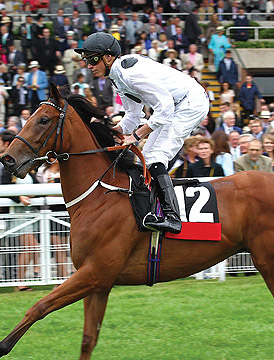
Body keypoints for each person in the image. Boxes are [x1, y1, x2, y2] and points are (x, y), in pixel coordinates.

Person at [76, 32, 209, 234]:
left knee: (156, 156)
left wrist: (136, 136)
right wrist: (114, 131)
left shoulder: (129, 75)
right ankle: (157, 209)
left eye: (93, 59)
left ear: (108, 57)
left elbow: (164, 108)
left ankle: (173, 218)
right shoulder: (116, 78)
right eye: (87, 60)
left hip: (189, 103)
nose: (89, 66)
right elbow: (133, 116)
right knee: (146, 159)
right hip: (174, 105)